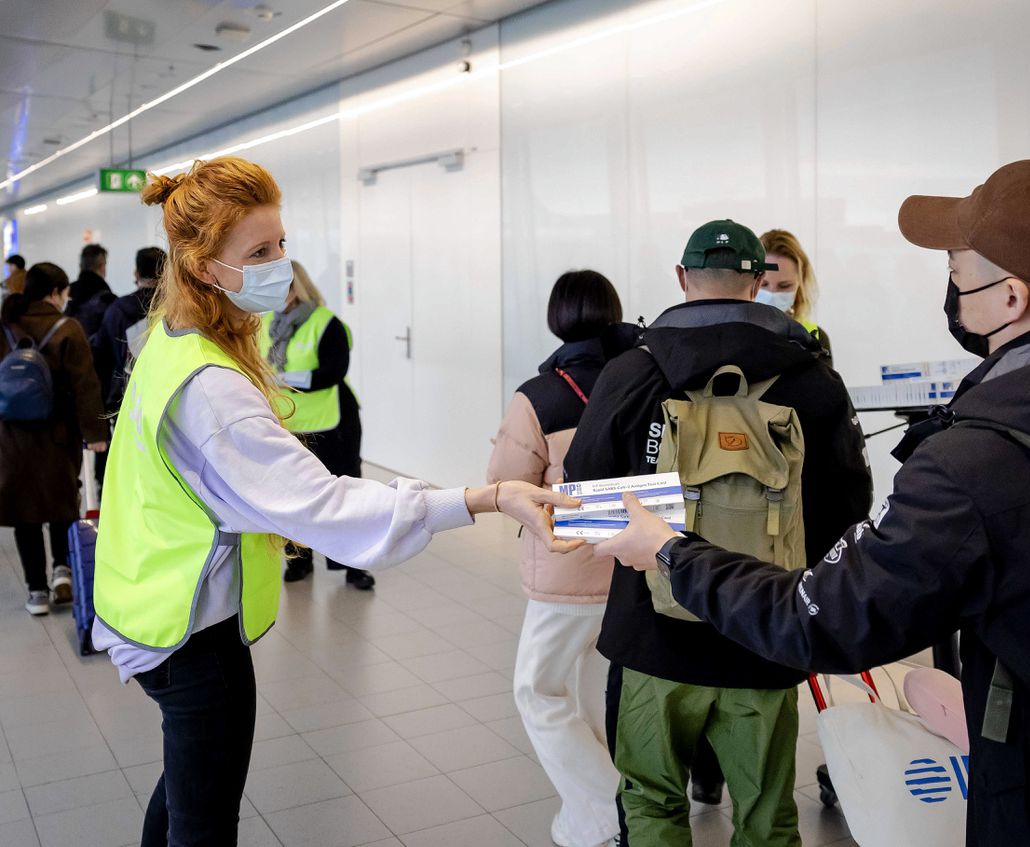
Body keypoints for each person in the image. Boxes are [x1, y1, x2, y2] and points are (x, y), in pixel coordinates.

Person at [593, 160, 1030, 847]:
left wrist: (668, 549)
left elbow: (829, 615)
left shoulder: (974, 464)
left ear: (1010, 298)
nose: (950, 282)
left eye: (956, 271)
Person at [91, 157, 578, 847]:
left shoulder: (172, 341)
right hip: (191, 636)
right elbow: (326, 507)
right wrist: (485, 497)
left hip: (151, 610)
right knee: (202, 822)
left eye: (281, 243)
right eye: (258, 252)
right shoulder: (211, 386)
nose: (280, 264)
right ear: (204, 267)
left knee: (181, 797)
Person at [563, 219, 872, 847]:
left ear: (682, 278)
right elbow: (849, 508)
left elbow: (583, 494)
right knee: (767, 814)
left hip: (653, 636)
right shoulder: (813, 381)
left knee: (650, 803)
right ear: (759, 284)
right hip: (766, 634)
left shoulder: (632, 373)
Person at [488, 269, 638, 847]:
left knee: (538, 690)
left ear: (557, 319)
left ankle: (610, 808)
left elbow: (506, 483)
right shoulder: (642, 376)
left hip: (568, 566)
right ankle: (588, 821)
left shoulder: (541, 395)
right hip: (637, 561)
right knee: (598, 692)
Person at [0, 262, 108, 615]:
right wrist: (95, 435)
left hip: (12, 438)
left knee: (24, 511)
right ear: (56, 293)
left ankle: (36, 592)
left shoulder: (5, 325)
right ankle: (62, 570)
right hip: (57, 437)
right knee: (61, 503)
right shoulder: (68, 328)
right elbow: (85, 387)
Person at [261, 260, 376, 590]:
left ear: (299, 286)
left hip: (334, 422)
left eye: (283, 286)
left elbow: (333, 371)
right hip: (288, 423)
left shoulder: (326, 323)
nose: (277, 294)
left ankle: (354, 565)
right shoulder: (266, 323)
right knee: (294, 496)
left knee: (345, 494)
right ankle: (300, 559)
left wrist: (283, 378)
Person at [92, 246, 166, 416]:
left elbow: (101, 357)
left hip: (127, 401)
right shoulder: (178, 309)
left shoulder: (117, 310)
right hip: (169, 397)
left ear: (136, 274)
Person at [756, 229, 833, 357]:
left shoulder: (815, 337)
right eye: (763, 284)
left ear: (800, 283)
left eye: (784, 286)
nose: (772, 293)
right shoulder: (731, 331)